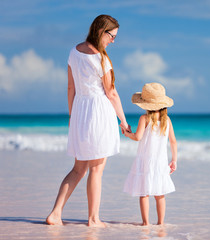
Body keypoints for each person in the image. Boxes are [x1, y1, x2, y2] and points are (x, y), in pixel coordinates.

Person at [46, 14, 130, 227]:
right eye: (112, 36)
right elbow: (111, 94)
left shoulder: (74, 52)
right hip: (98, 113)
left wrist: (72, 115)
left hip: (80, 112)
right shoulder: (100, 59)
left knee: (78, 169)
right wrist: (123, 120)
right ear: (102, 31)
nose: (113, 41)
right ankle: (93, 219)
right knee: (96, 169)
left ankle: (55, 213)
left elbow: (70, 88)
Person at [123, 82, 178, 226]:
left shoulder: (144, 118)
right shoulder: (167, 120)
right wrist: (174, 160)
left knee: (144, 193)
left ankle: (146, 223)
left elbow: (138, 137)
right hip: (160, 161)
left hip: (145, 160)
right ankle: (160, 223)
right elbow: (173, 141)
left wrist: (127, 134)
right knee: (160, 194)